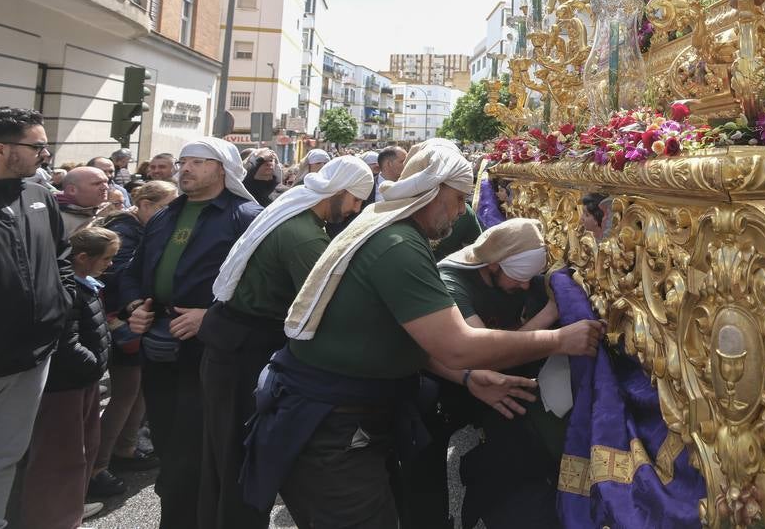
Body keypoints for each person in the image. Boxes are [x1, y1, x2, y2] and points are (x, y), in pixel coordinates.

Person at [243, 139, 602, 528]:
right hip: (332, 427)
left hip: (344, 417)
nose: (462, 211)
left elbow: (415, 340)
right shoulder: (397, 243)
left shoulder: (387, 223)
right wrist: (560, 339)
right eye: (458, 198)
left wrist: (463, 378)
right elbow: (459, 344)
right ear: (433, 191)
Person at [198, 155, 373, 529]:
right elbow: (324, 302)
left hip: (231, 341)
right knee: (242, 460)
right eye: (357, 200)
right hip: (246, 349)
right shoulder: (304, 234)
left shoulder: (297, 213)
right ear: (340, 192)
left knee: (225, 456)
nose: (356, 209)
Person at [122, 138, 263, 529]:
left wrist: (211, 316)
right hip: (160, 344)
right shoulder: (166, 215)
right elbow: (133, 270)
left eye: (198, 162)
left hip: (212, 351)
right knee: (169, 441)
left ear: (223, 170)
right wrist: (134, 306)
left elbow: (265, 286)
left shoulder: (246, 215)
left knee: (202, 449)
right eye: (184, 162)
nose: (186, 169)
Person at [0, 108, 72, 529]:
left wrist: (59, 307)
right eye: (37, 145)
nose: (46, 153)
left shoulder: (39, 196)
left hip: (30, 361)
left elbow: (61, 257)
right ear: (1, 150)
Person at [431, 219, 562, 528]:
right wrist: (549, 317)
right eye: (518, 278)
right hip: (448, 387)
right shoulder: (451, 281)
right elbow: (484, 355)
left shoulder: (514, 278)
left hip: (491, 379)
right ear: (492, 266)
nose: (525, 287)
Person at [19, 226, 118, 528]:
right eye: (107, 259)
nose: (111, 265)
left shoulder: (84, 285)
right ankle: (52, 518)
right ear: (84, 258)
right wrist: (93, 365)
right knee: (59, 456)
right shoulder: (69, 290)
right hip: (65, 386)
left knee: (79, 451)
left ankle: (68, 508)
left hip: (80, 382)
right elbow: (67, 343)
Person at [86, 181, 178, 499]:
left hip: (127, 320)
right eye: (167, 205)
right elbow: (117, 274)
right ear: (146, 205)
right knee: (125, 394)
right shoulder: (126, 230)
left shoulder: (137, 227)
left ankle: (123, 449)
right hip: (122, 322)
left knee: (135, 392)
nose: (172, 212)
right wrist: (136, 301)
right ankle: (98, 465)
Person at [58, 165, 112, 238]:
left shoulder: (108, 210)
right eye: (97, 183)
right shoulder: (53, 215)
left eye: (106, 182)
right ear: (72, 190)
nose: (106, 187)